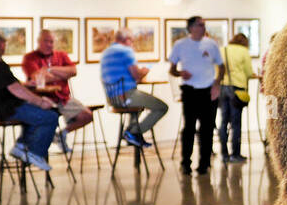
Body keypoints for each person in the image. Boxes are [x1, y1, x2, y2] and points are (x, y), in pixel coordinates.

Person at [0, 30, 60, 173]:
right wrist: (40, 102)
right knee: (51, 116)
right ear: (0, 44)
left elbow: (3, 85)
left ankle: (21, 146)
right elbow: (15, 89)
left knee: (35, 116)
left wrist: (23, 85)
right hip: (7, 109)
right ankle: (35, 152)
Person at [21, 28, 92, 156]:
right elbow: (37, 77)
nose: (49, 44)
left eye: (52, 42)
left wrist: (50, 69)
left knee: (87, 115)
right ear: (39, 41)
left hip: (63, 98)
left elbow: (73, 71)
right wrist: (61, 75)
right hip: (44, 99)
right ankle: (33, 149)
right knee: (47, 118)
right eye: (46, 41)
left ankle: (61, 135)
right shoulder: (30, 58)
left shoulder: (61, 55)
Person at [169, 15, 223, 175]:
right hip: (190, 91)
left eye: (204, 25)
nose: (203, 27)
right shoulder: (180, 45)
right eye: (200, 25)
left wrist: (217, 84)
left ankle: (204, 163)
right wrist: (180, 73)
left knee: (207, 129)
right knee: (189, 128)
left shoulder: (211, 44)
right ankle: (186, 162)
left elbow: (221, 67)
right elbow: (171, 69)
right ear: (191, 28)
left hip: (208, 91)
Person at [99, 28, 168, 148]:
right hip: (126, 96)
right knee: (162, 107)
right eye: (132, 41)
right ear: (127, 40)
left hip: (112, 98)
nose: (133, 44)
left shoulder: (106, 52)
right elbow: (137, 75)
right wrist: (145, 71)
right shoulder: (126, 51)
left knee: (137, 110)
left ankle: (134, 135)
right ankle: (132, 132)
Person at [218, 32, 254, 163]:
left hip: (222, 87)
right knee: (236, 123)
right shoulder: (244, 51)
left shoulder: (223, 50)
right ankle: (235, 154)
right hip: (237, 88)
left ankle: (223, 153)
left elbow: (217, 69)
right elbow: (249, 72)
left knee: (223, 121)